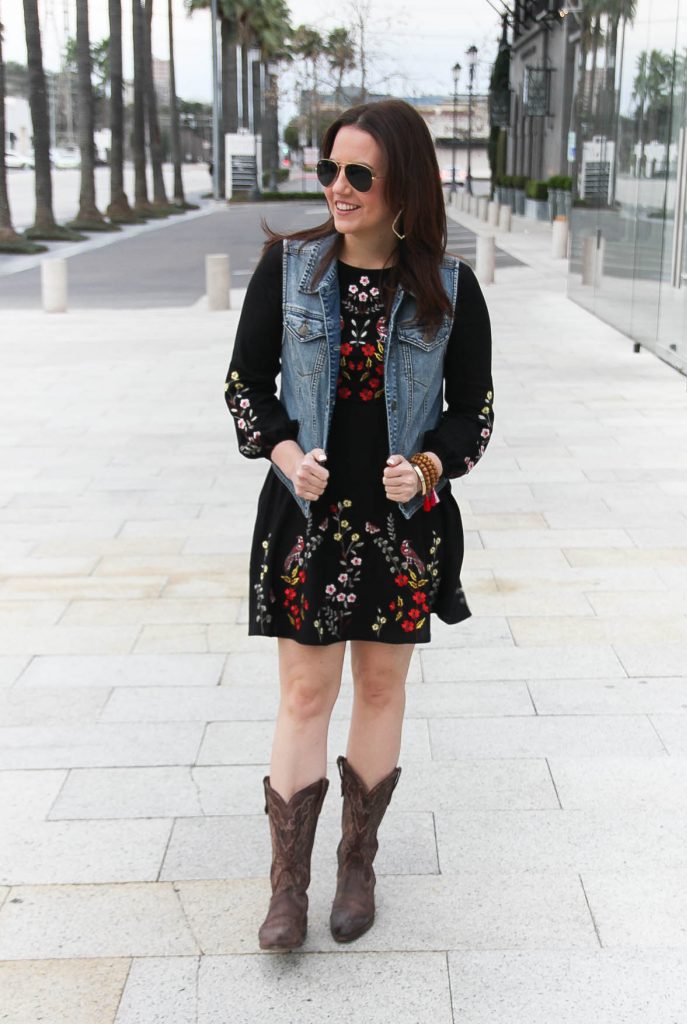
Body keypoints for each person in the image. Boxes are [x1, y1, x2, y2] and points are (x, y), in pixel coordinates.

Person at [224, 98, 494, 952]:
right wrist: (282, 449)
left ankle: (357, 864)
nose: (338, 188)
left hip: (401, 527)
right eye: (329, 170)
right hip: (308, 518)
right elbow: (245, 384)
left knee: (381, 690)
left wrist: (426, 466)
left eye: (359, 175)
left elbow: (473, 415)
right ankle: (287, 887)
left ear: (403, 182)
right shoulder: (289, 268)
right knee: (305, 694)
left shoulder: (449, 287)